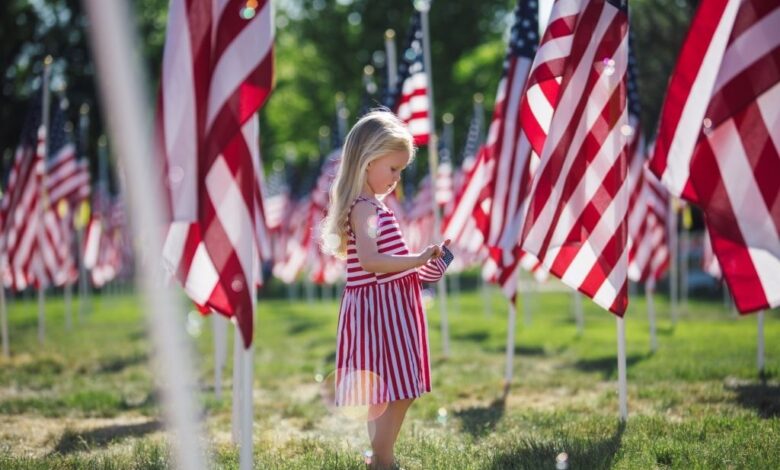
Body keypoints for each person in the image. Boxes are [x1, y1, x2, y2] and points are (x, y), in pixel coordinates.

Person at [320, 110, 449, 469]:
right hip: (379, 313)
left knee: (397, 389)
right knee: (393, 389)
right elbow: (374, 261)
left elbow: (394, 266)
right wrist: (417, 257)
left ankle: (381, 458)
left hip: (392, 307)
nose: (396, 178)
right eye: (392, 169)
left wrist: (432, 262)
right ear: (367, 161)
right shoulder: (364, 210)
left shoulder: (376, 208)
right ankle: (382, 459)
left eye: (401, 171)